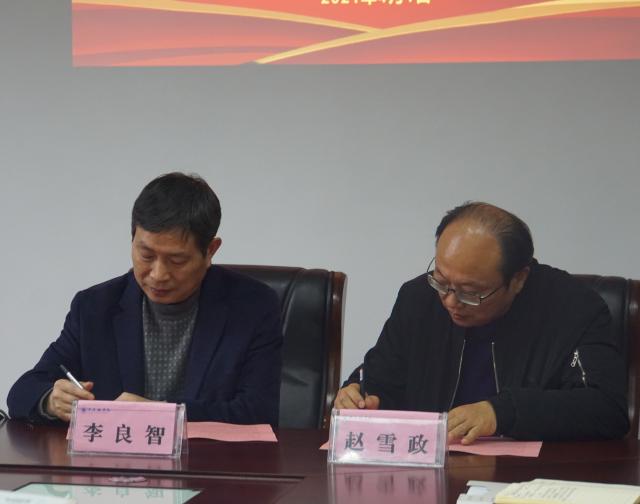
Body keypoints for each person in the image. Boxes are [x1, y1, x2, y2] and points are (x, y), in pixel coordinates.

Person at [335, 202, 629, 444]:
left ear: (518, 279)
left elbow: (606, 408)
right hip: (433, 472)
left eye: (470, 292)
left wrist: (501, 413)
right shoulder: (418, 298)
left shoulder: (572, 308)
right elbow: (383, 375)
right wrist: (359, 394)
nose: (450, 301)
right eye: (441, 280)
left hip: (530, 479)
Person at [7, 173, 283, 425]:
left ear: (210, 250)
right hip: (113, 461)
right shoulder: (94, 307)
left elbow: (258, 411)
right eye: (146, 255)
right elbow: (23, 391)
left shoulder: (253, 307)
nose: (158, 274)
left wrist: (162, 413)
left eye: (177, 260)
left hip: (209, 460)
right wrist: (50, 399)